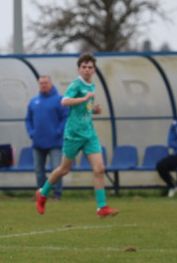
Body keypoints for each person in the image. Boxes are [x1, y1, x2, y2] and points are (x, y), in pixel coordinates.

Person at [35, 53, 117, 218]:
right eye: (84, 67)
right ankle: (43, 193)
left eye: (90, 67)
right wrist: (84, 98)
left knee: (99, 169)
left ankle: (102, 207)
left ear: (94, 69)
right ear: (79, 69)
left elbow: (86, 107)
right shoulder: (76, 84)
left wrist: (94, 110)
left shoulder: (92, 85)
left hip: (89, 134)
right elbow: (65, 101)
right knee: (64, 169)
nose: (87, 70)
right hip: (73, 134)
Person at [25, 75, 69, 200]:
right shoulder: (34, 101)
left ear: (51, 84)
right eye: (41, 83)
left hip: (55, 142)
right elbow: (28, 119)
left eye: (46, 83)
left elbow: (65, 118)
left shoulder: (60, 100)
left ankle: (57, 194)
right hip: (38, 142)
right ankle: (41, 194)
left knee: (57, 168)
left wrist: (58, 131)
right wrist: (31, 132)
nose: (43, 85)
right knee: (39, 170)